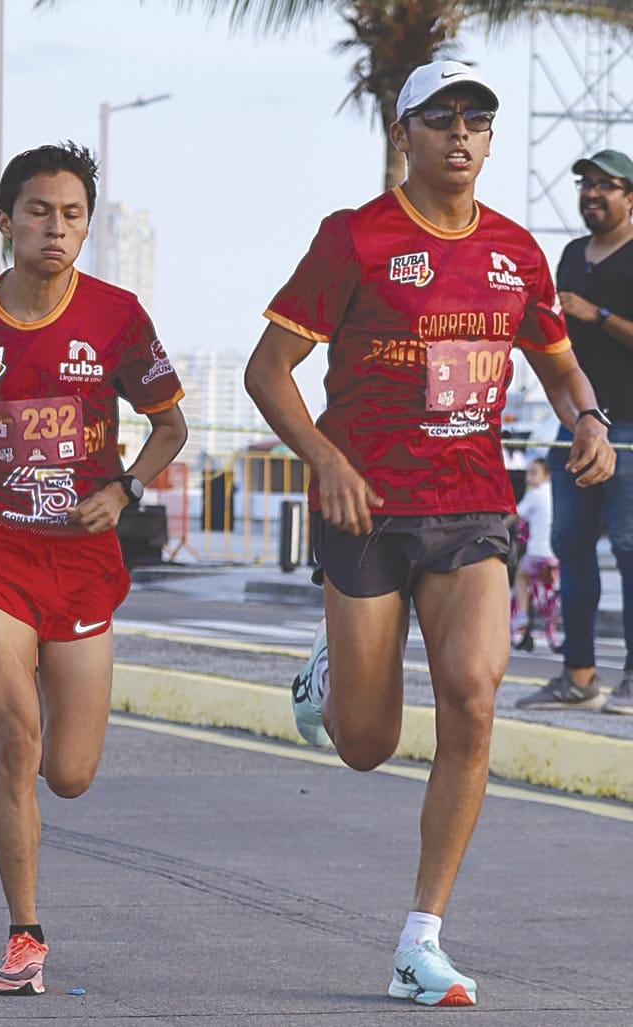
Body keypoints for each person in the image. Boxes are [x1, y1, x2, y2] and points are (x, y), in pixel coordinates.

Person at [244, 60, 615, 1008]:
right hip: (366, 507)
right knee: (367, 742)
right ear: (401, 135)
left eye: (478, 118)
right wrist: (326, 458)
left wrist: (588, 420)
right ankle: (329, 671)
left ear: (489, 141)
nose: (461, 132)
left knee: (475, 696)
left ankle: (422, 936)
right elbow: (268, 370)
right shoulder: (354, 239)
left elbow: (561, 368)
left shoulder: (517, 252)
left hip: (471, 509)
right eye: (440, 116)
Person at [0, 142, 187, 995]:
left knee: (70, 773)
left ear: (86, 226)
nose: (56, 229)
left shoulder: (118, 315)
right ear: (5, 220)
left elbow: (171, 427)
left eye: (72, 215)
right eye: (39, 212)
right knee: (13, 736)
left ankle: (55, 738)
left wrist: (125, 490)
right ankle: (24, 934)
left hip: (84, 557)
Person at [516, 150, 633, 716]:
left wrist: (598, 316)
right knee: (569, 547)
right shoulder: (567, 256)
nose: (591, 193)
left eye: (604, 185)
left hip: (631, 431)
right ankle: (578, 676)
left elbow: (589, 322)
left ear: (630, 197)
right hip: (576, 429)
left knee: (631, 549)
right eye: (585, 184)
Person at [508, 458, 559, 652]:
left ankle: (522, 614)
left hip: (537, 553)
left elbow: (516, 515)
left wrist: (501, 526)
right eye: (528, 473)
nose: (529, 478)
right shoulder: (557, 492)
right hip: (555, 555)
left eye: (534, 473)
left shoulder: (535, 495)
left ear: (546, 476)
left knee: (521, 575)